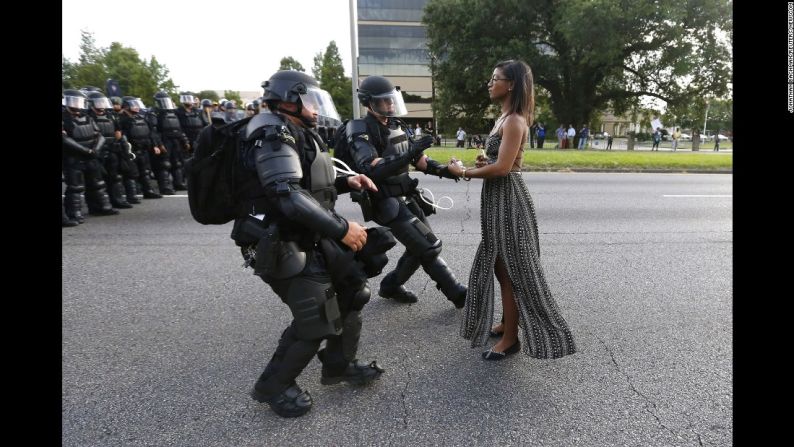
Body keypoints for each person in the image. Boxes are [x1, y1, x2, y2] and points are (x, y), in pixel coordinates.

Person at [228, 70, 387, 418]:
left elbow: (309, 183)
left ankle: (338, 364)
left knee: (352, 290)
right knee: (316, 318)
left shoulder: (293, 130)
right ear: (288, 100)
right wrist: (343, 229)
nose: (316, 108)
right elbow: (287, 195)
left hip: (307, 234)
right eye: (310, 100)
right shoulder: (271, 132)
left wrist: (348, 182)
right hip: (279, 240)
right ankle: (273, 386)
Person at [446, 59, 576, 361]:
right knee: (499, 266)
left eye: (496, 78)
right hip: (497, 199)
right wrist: (482, 164)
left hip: (509, 201)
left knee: (511, 271)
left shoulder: (515, 120)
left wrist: (463, 172)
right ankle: (507, 322)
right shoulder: (503, 118)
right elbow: (498, 162)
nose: (490, 83)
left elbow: (504, 168)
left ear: (512, 84)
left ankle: (510, 339)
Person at [335, 75, 467, 308]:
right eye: (384, 101)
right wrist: (408, 154)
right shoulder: (360, 129)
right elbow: (369, 168)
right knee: (428, 246)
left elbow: (420, 160)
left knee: (420, 248)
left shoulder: (396, 125)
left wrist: (448, 171)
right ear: (369, 103)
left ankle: (391, 286)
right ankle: (457, 293)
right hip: (384, 200)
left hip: (407, 195)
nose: (390, 104)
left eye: (392, 99)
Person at [62, 89, 120, 221]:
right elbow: (64, 139)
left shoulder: (87, 117)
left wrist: (95, 149)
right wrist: (85, 150)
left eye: (79, 101)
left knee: (97, 183)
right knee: (75, 187)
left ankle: (101, 207)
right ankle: (74, 213)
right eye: (73, 101)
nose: (77, 105)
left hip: (91, 155)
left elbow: (99, 135)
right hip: (73, 157)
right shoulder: (64, 118)